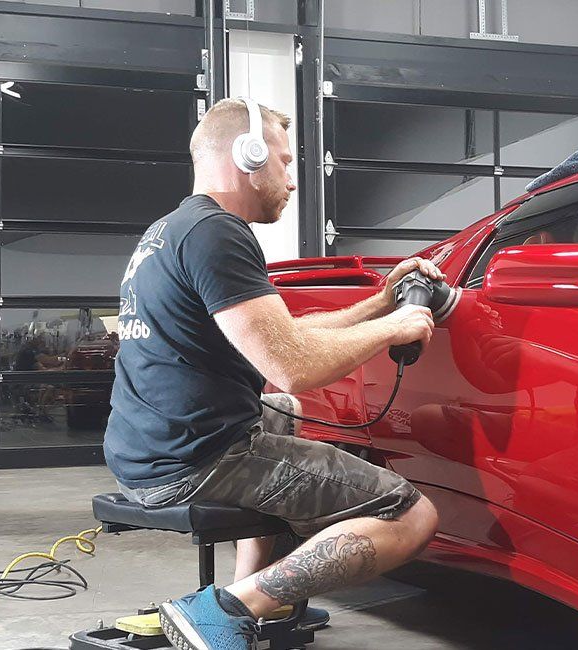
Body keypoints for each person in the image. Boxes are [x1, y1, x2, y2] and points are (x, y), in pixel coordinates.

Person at [103, 97, 440, 650]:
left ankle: (255, 598)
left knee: (288, 415)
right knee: (411, 514)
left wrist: (381, 303)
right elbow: (293, 366)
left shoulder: (174, 229)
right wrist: (393, 330)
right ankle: (225, 611)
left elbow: (290, 337)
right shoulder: (219, 234)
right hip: (197, 460)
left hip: (148, 451)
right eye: (284, 162)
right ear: (249, 155)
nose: (291, 179)